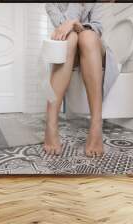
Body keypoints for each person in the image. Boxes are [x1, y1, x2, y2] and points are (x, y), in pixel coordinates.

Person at [44, 3, 105, 157]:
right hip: (69, 48)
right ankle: (51, 125)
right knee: (70, 38)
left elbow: (97, 28)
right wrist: (75, 10)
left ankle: (96, 125)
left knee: (88, 36)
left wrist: (73, 23)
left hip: (93, 48)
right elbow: (61, 29)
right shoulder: (52, 4)